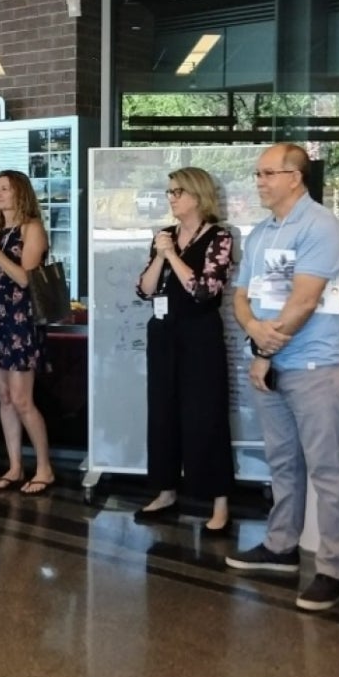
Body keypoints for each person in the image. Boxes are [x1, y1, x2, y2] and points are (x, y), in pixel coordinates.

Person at [225, 142, 339, 613]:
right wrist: (255, 334)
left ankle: (335, 570)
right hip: (268, 364)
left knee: (326, 469)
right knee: (282, 462)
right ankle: (281, 547)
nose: (259, 181)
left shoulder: (320, 226)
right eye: (257, 173)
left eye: (267, 173)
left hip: (313, 366)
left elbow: (303, 301)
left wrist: (262, 346)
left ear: (295, 177)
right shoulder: (261, 232)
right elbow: (240, 296)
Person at [133, 167, 236, 533]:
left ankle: (219, 500)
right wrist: (161, 255)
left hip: (200, 336)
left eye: (178, 191)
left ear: (198, 195)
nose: (171, 197)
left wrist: (173, 255)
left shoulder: (219, 238)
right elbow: (144, 290)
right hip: (164, 334)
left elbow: (205, 291)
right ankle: (165, 489)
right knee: (162, 413)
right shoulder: (164, 237)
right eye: (169, 192)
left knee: (205, 416)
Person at [0, 170, 56, 496]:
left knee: (22, 399)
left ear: (20, 192)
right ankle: (15, 466)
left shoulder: (31, 229)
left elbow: (25, 279)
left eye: (5, 188)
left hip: (21, 316)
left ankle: (44, 468)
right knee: (4, 397)